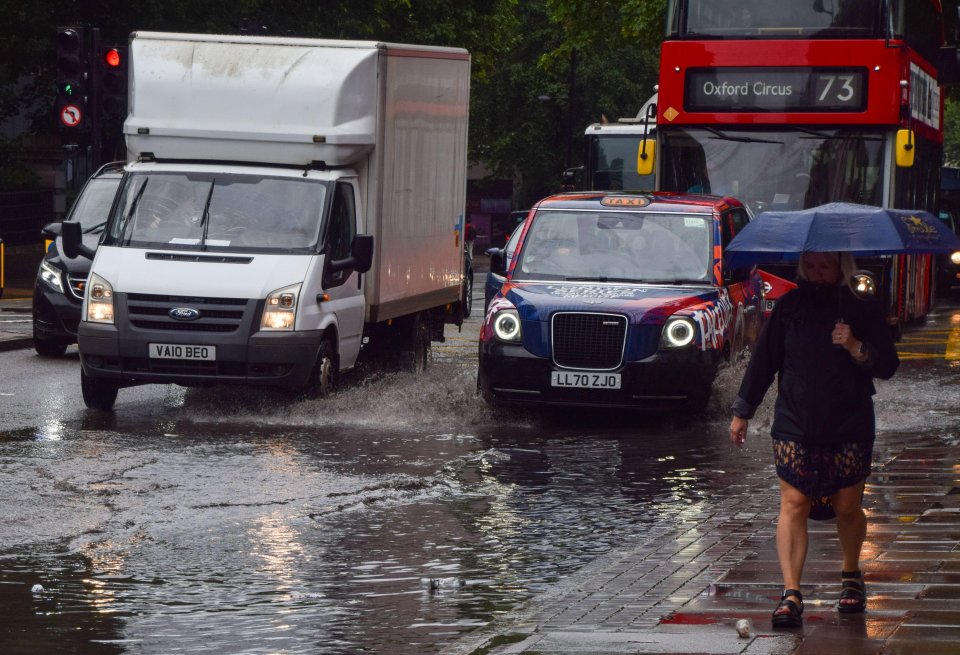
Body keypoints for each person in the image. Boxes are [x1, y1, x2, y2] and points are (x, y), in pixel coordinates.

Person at [728, 251, 899, 629]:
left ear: (841, 266)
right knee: (794, 502)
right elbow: (764, 361)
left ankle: (851, 574)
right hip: (795, 421)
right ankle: (791, 594)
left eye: (826, 265)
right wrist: (743, 411)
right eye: (812, 266)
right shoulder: (789, 307)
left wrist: (855, 345)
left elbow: (888, 365)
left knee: (847, 505)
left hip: (848, 422)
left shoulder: (860, 307)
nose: (817, 272)